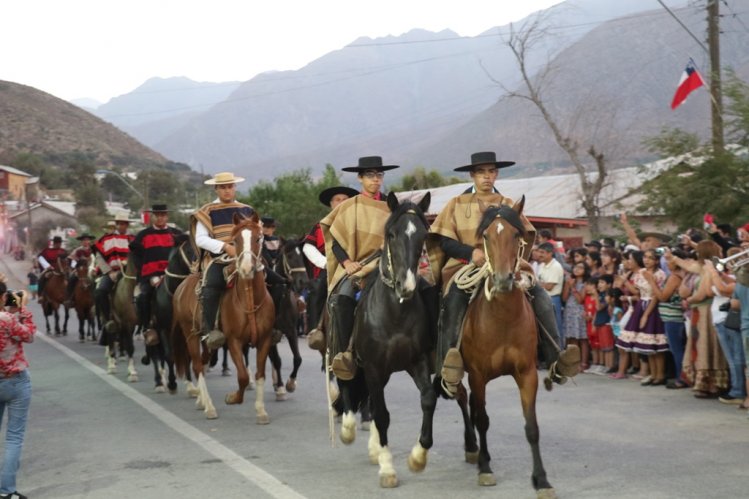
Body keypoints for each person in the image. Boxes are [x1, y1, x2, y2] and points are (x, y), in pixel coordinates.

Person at [425, 151, 580, 396]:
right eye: (481, 172)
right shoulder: (456, 204)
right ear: (472, 175)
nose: (487, 177)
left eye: (491, 172)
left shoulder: (509, 204)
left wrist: (511, 260)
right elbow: (443, 241)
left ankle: (554, 358)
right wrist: (470, 253)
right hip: (466, 267)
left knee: (540, 295)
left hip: (507, 265)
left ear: (496, 174)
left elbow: (526, 236)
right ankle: (448, 367)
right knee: (453, 300)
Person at [321, 156, 434, 380]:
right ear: (360, 178)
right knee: (343, 298)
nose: (375, 179)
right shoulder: (348, 207)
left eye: (379, 175)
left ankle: (432, 348)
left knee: (429, 290)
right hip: (357, 267)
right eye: (370, 175)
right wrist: (347, 263)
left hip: (392, 266)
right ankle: (345, 354)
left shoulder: (394, 207)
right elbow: (335, 240)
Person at [191, 172, 255, 349]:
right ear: (216, 189)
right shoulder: (206, 211)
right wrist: (225, 247)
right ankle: (210, 331)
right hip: (220, 259)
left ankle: (272, 326)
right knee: (211, 286)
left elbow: (258, 233)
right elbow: (201, 239)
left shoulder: (247, 210)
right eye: (223, 187)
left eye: (230, 186)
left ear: (235, 187)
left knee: (274, 281)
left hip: (247, 256)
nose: (227, 190)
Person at [304, 186, 359, 351]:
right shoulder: (321, 225)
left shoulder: (357, 224)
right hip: (329, 268)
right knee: (318, 290)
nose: (341, 202)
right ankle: (317, 329)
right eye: (337, 199)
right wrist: (324, 263)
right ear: (331, 204)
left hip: (356, 267)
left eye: (345, 199)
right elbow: (308, 247)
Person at [0, 281, 36, 499]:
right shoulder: (8, 319)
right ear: (4, 296)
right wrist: (21, 309)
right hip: (15, 380)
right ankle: (6, 491)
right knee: (14, 438)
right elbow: (29, 335)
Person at [129, 205, 183, 343]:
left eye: (163, 215)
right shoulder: (143, 235)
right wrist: (148, 275)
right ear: (152, 216)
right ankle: (146, 327)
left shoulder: (177, 234)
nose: (160, 218)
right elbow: (136, 257)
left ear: (167, 217)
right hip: (150, 275)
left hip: (173, 275)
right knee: (143, 297)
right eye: (157, 215)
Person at [94, 215, 134, 333]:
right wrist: (109, 271)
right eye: (119, 223)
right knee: (100, 291)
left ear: (127, 225)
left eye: (123, 223)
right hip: (113, 272)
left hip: (131, 273)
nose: (121, 226)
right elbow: (99, 257)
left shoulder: (134, 239)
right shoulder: (106, 239)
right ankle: (108, 319)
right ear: (116, 224)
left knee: (148, 291)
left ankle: (149, 322)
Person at [64, 233, 95, 307]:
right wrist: (75, 268)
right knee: (71, 279)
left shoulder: (93, 249)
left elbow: (97, 259)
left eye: (87, 240)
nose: (86, 241)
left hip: (92, 268)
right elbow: (71, 260)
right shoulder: (77, 250)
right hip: (80, 270)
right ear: (81, 241)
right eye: (84, 240)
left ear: (89, 241)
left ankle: (97, 298)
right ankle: (69, 299)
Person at [36, 235, 68, 300]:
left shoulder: (63, 251)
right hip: (50, 268)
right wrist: (48, 266)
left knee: (70, 277)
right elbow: (40, 258)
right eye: (57, 243)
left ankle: (70, 296)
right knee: (42, 277)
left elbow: (67, 260)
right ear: (54, 243)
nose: (58, 244)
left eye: (59, 243)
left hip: (62, 269)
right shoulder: (47, 251)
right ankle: (41, 295)